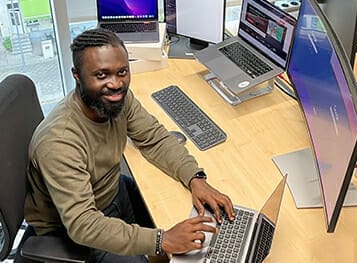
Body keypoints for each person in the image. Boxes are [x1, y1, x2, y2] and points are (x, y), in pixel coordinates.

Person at [24, 28, 235, 262]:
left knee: (191, 228)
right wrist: (161, 239)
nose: (116, 84)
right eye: (101, 75)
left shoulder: (118, 99)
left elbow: (153, 137)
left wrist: (195, 178)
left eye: (122, 72)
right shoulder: (59, 142)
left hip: (111, 190)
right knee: (165, 245)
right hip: (74, 231)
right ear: (77, 75)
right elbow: (82, 225)